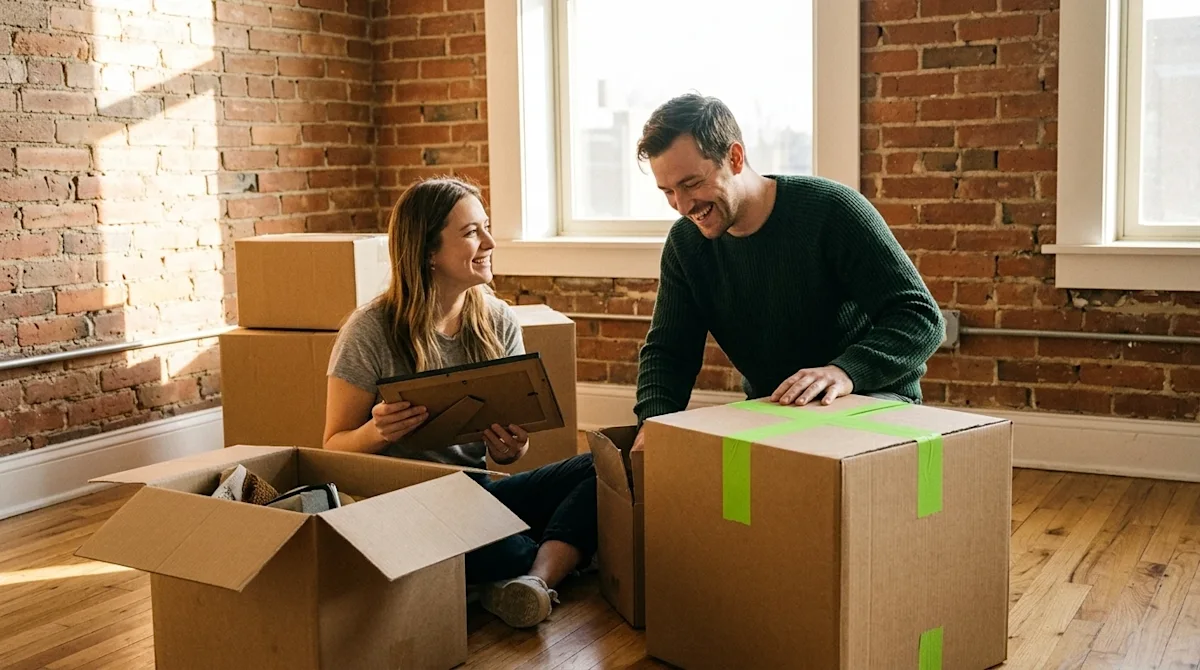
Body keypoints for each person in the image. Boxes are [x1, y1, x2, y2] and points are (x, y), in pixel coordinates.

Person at [323, 176, 597, 629]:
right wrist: (378, 431)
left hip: (477, 492)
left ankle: (531, 583)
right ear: (428, 252)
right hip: (404, 504)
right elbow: (331, 447)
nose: (489, 242)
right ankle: (537, 565)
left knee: (605, 465)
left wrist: (511, 450)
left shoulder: (497, 319)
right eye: (472, 232)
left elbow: (506, 454)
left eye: (486, 227)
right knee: (516, 545)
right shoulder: (369, 330)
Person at [632, 93, 944, 448]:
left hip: (870, 400)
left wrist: (844, 371)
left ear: (734, 158)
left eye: (691, 184)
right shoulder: (686, 243)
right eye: (668, 191)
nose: (683, 205)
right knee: (578, 482)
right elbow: (669, 352)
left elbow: (921, 318)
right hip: (775, 412)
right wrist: (652, 424)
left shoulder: (833, 210)